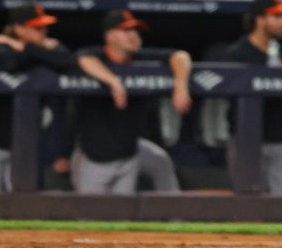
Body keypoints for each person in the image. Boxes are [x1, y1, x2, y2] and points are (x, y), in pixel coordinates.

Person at [0, 3, 119, 193]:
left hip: (26, 139)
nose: (44, 31)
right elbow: (8, 62)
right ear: (18, 28)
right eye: (37, 27)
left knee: (23, 199)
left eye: (44, 26)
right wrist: (36, 51)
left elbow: (66, 61)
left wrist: (28, 48)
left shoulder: (49, 45)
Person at [71, 10, 192, 195]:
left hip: (128, 152)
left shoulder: (140, 58)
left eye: (135, 31)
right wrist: (113, 82)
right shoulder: (95, 57)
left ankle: (176, 219)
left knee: (121, 215)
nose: (134, 35)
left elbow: (180, 56)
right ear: (110, 36)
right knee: (89, 218)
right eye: (126, 31)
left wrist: (181, 85)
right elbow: (83, 57)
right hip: (93, 155)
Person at [225, 0, 282, 194]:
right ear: (260, 20)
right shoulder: (238, 53)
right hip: (246, 140)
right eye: (277, 16)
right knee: (248, 205)